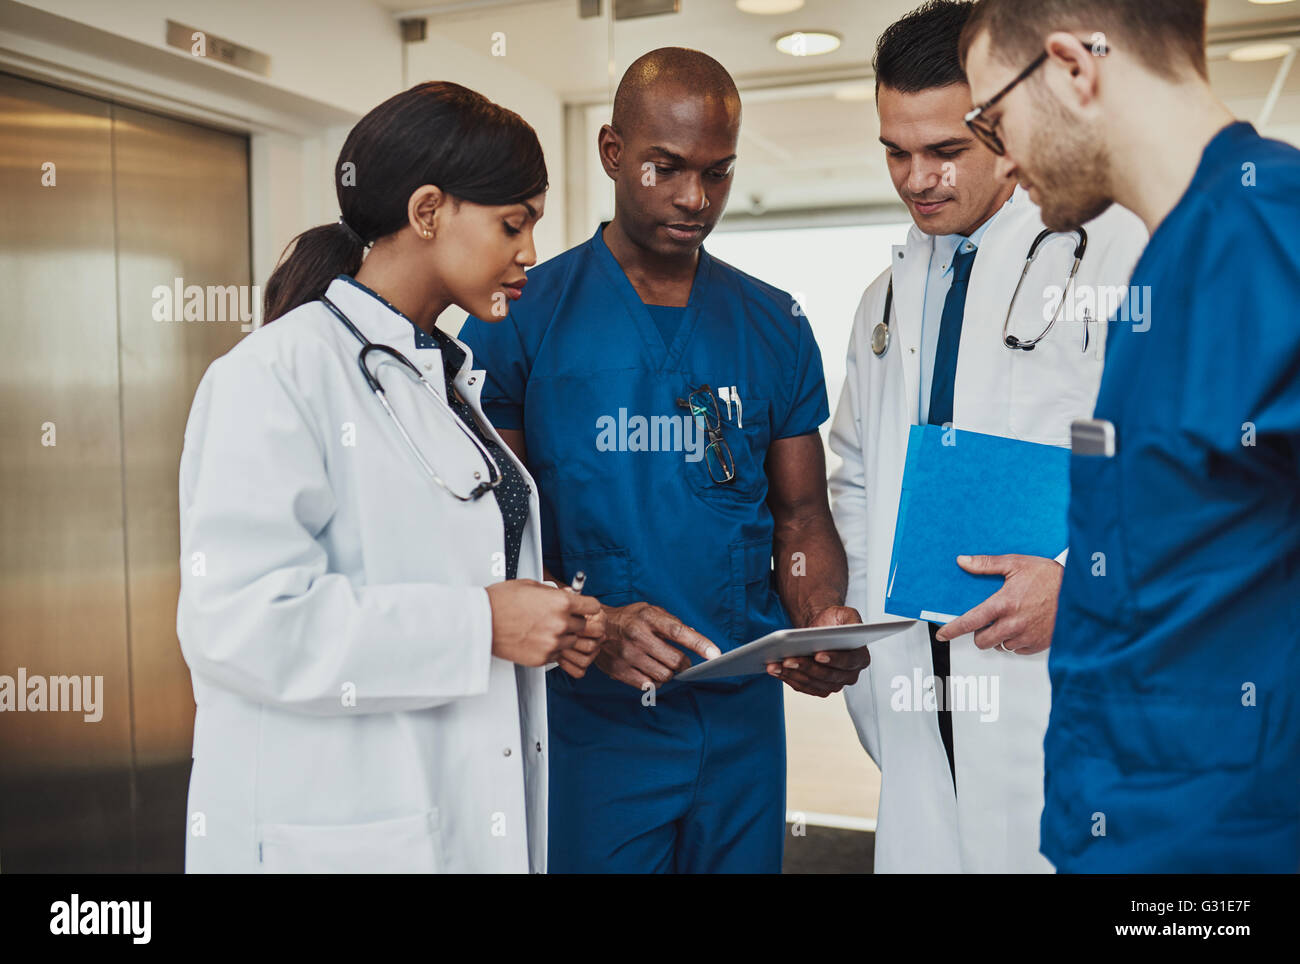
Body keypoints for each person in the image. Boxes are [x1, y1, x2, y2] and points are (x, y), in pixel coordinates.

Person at [176, 81, 603, 874]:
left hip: (450, 812)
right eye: (515, 223)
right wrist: (482, 626)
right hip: (340, 829)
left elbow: (439, 568)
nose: (531, 254)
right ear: (430, 210)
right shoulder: (279, 373)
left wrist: (538, 621)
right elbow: (239, 623)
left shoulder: (442, 378)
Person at [458, 47, 865, 874]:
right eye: (667, 167)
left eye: (718, 173)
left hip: (742, 718)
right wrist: (592, 625)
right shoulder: (523, 318)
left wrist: (817, 616)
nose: (695, 198)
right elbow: (487, 537)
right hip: (590, 716)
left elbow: (799, 516)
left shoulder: (773, 323)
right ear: (613, 154)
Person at [960, 0, 1300, 872]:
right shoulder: (1174, 258)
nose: (999, 162)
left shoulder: (1268, 230)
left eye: (994, 122)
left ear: (1073, 67)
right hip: (1134, 832)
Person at [828, 0, 1146, 872]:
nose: (916, 178)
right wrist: (863, 616)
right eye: (895, 150)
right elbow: (853, 473)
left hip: (1059, 678)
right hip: (919, 689)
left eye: (946, 151)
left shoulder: (1118, 252)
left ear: (1005, 128)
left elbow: (1193, 477)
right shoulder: (884, 299)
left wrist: (1079, 581)